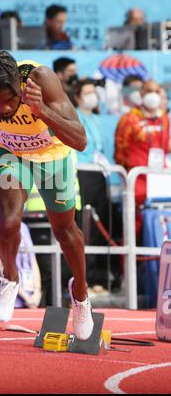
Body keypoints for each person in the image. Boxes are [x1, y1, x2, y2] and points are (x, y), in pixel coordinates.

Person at [0, 0, 94, 340]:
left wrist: (44, 113)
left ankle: (81, 294)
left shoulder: (41, 80)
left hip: (51, 152)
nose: (2, 107)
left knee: (64, 231)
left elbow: (80, 140)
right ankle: (10, 278)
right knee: (9, 221)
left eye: (8, 100)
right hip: (9, 149)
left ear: (19, 87)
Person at [115, 79, 170, 235]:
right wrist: (130, 171)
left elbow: (164, 146)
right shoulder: (129, 119)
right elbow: (120, 152)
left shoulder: (164, 118)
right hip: (137, 179)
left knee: (162, 223)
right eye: (148, 91)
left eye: (156, 91)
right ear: (141, 94)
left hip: (160, 178)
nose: (152, 95)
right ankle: (136, 259)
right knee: (135, 226)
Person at [74, 79, 111, 294]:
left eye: (93, 92)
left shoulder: (96, 119)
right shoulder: (76, 116)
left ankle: (98, 276)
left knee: (100, 225)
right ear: (78, 97)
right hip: (82, 172)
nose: (91, 96)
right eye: (86, 92)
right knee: (84, 226)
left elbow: (100, 146)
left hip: (98, 173)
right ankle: (82, 278)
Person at [0, 217, 42, 308]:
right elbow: (0, 267)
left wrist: (37, 291)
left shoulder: (24, 227)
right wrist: (26, 298)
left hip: (30, 299)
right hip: (6, 299)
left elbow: (33, 261)